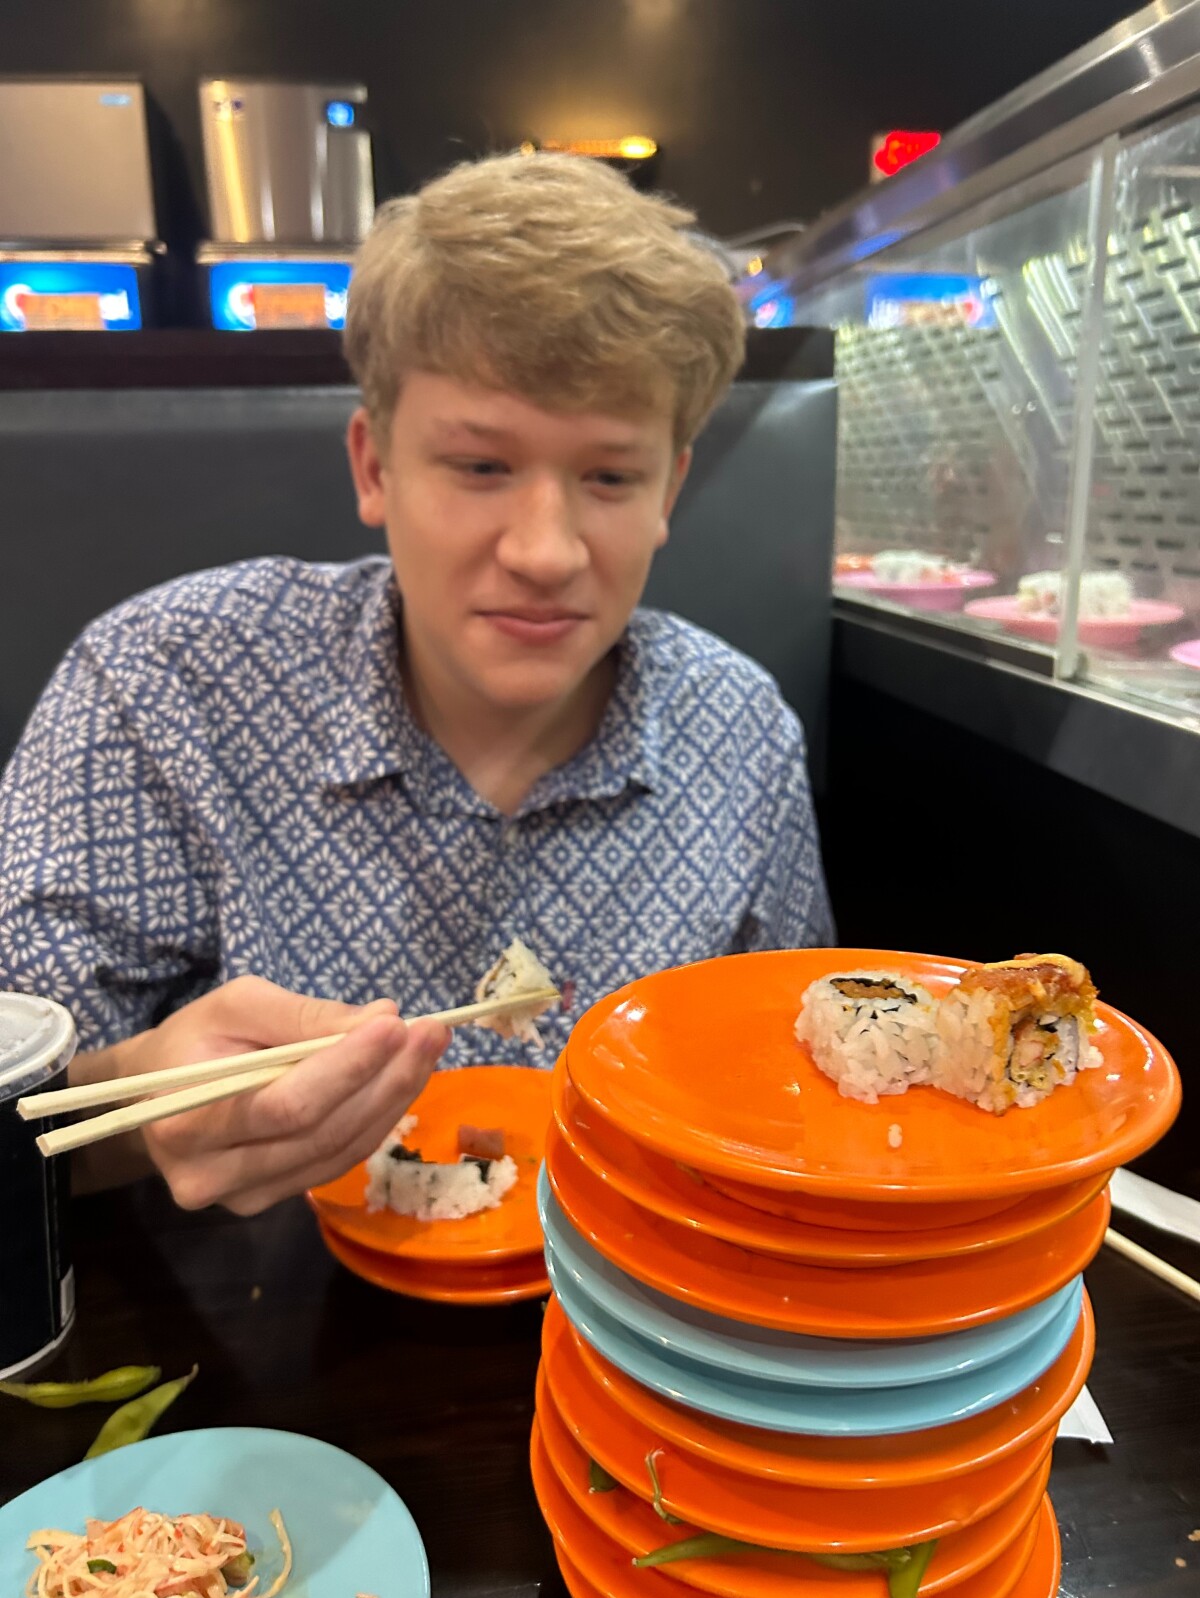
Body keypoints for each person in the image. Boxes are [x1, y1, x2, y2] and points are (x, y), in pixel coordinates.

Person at [0, 152, 832, 1216]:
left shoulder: (740, 729)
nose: (545, 552)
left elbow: (791, 1085)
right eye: (481, 466)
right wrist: (137, 1106)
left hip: (635, 1292)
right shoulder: (164, 684)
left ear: (669, 489)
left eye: (609, 476)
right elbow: (21, 1104)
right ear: (374, 466)